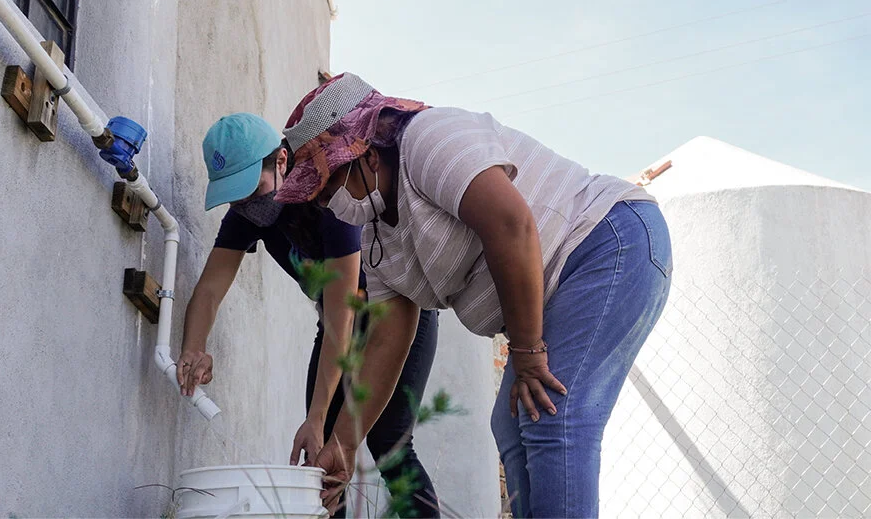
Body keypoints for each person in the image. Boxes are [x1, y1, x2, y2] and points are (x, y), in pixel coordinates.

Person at [275, 74, 673, 518]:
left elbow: (510, 224)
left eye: (328, 185)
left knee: (551, 417)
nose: (327, 202)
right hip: (562, 285)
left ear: (365, 155)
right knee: (511, 423)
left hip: (607, 242)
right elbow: (389, 336)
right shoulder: (376, 238)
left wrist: (525, 351)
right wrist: (344, 446)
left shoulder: (428, 138)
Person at [176, 113, 440, 517]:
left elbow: (343, 311)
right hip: (335, 322)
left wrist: (318, 416)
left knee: (387, 439)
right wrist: (194, 348)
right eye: (235, 195)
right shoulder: (249, 214)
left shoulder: (326, 194)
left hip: (395, 314)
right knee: (320, 456)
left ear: (282, 160)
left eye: (251, 188)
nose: (245, 202)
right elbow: (210, 288)